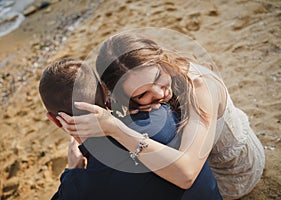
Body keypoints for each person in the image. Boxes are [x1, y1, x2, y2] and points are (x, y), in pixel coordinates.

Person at [57, 32, 266, 199]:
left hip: (234, 173)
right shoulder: (130, 98)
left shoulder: (201, 86)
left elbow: (187, 175)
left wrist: (115, 127)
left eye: (158, 77)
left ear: (160, 59)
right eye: (142, 93)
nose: (159, 93)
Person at [39, 58, 222, 200]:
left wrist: (72, 170)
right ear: (105, 93)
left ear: (55, 121)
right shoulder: (164, 115)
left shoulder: (77, 188)